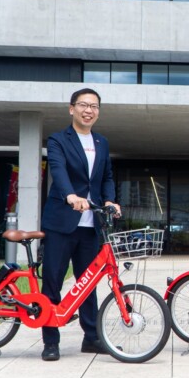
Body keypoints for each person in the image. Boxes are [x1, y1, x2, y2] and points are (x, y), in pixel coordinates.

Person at [40, 88, 120, 362]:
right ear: (71, 108)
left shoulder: (102, 142)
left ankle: (91, 337)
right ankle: (50, 340)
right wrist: (70, 195)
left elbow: (106, 176)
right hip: (61, 223)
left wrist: (110, 200)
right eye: (84, 105)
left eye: (94, 106)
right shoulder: (58, 140)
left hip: (90, 226)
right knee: (52, 281)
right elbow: (59, 171)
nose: (89, 110)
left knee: (88, 283)